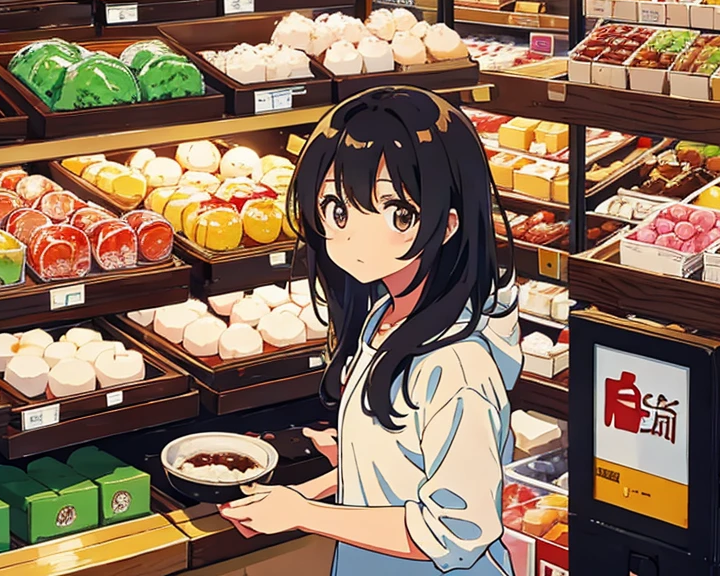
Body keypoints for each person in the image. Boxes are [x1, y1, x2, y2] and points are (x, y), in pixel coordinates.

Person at [220, 86, 521, 575]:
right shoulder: (384, 316)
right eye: (337, 209)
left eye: (394, 212)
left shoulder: (456, 366)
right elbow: (401, 473)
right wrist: (312, 488)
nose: (352, 234)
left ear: (447, 225)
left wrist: (304, 514)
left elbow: (456, 529)